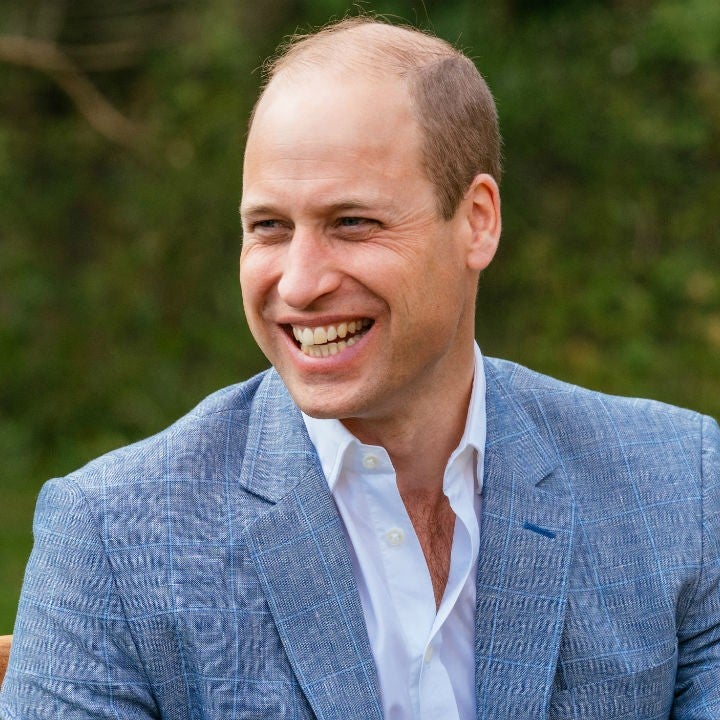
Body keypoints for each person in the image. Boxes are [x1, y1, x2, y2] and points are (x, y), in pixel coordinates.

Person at [1, 16, 719, 720]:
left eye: (352, 223)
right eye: (269, 227)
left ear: (477, 221)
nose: (299, 283)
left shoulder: (680, 485)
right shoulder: (112, 538)